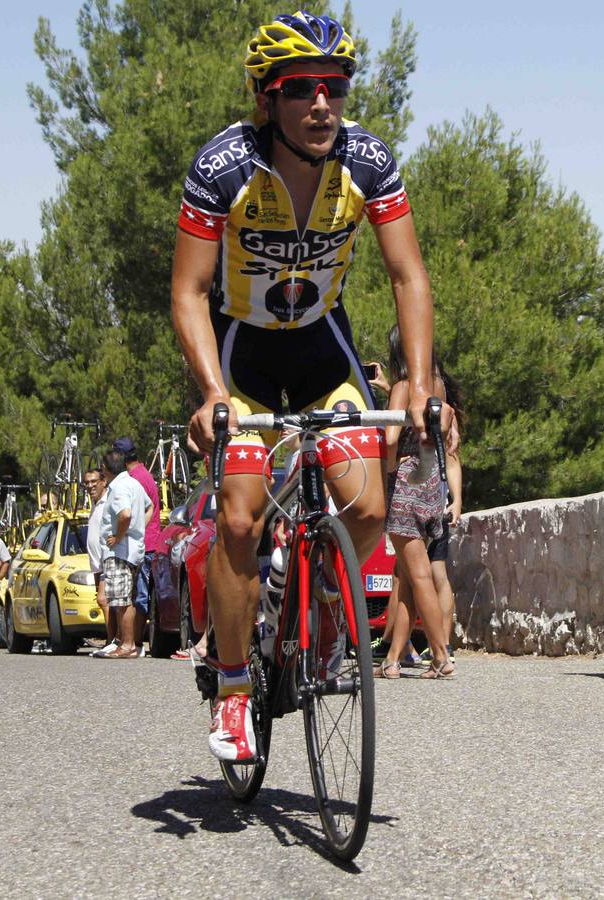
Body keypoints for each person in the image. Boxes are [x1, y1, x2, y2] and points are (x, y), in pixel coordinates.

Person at [171, 11, 444, 761]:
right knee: (237, 521)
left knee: (368, 505)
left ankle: (322, 620)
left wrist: (419, 383)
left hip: (324, 349)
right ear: (268, 100)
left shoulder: (369, 161)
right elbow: (189, 292)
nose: (322, 103)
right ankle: (232, 690)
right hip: (243, 358)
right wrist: (210, 391)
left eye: (335, 86)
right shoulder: (223, 167)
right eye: (300, 89)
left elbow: (406, 274)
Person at [377, 326, 459, 679]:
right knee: (410, 575)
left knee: (419, 573)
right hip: (433, 481)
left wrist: (387, 474)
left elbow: (392, 436)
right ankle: (393, 659)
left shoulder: (403, 387)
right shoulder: (437, 386)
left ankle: (441, 655)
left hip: (408, 480)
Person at [99, 450, 149, 659]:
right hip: (133, 549)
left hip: (120, 552)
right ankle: (125, 642)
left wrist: (119, 536)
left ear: (106, 469)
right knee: (126, 597)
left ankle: (128, 645)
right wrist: (139, 530)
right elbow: (150, 506)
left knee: (121, 600)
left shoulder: (118, 487)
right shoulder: (134, 483)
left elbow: (125, 514)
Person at [116, 438, 160, 658]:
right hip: (147, 540)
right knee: (138, 593)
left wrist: (130, 532)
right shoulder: (142, 474)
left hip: (145, 543)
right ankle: (132, 641)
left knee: (139, 595)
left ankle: (135, 642)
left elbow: (138, 511)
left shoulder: (136, 478)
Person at [82, 467, 117, 658]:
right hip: (96, 562)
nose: (90, 486)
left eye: (94, 481)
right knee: (103, 600)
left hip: (106, 559)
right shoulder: (94, 504)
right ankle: (110, 639)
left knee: (104, 599)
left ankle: (112, 640)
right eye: (87, 482)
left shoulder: (107, 502)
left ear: (103, 482)